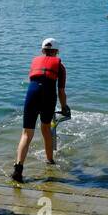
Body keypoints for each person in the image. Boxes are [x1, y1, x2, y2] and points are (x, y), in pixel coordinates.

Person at [12, 38, 69, 183]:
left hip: (32, 94)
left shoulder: (35, 62)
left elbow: (35, 80)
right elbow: (61, 91)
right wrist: (64, 107)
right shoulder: (60, 67)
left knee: (26, 133)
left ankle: (18, 168)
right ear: (56, 51)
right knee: (45, 128)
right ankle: (49, 160)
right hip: (48, 96)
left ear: (42, 51)